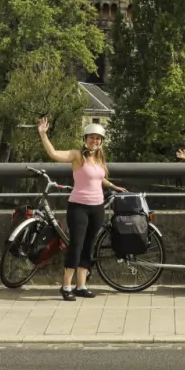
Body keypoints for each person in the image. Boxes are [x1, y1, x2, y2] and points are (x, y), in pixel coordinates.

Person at [38, 117, 127, 301]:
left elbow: (98, 178)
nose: (95, 141)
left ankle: (81, 285)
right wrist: (43, 134)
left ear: (101, 141)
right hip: (79, 207)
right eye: (91, 138)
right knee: (76, 246)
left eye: (98, 138)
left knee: (89, 246)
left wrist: (112, 186)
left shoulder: (99, 159)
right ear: (85, 138)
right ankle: (66, 286)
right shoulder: (77, 155)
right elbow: (54, 154)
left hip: (97, 207)